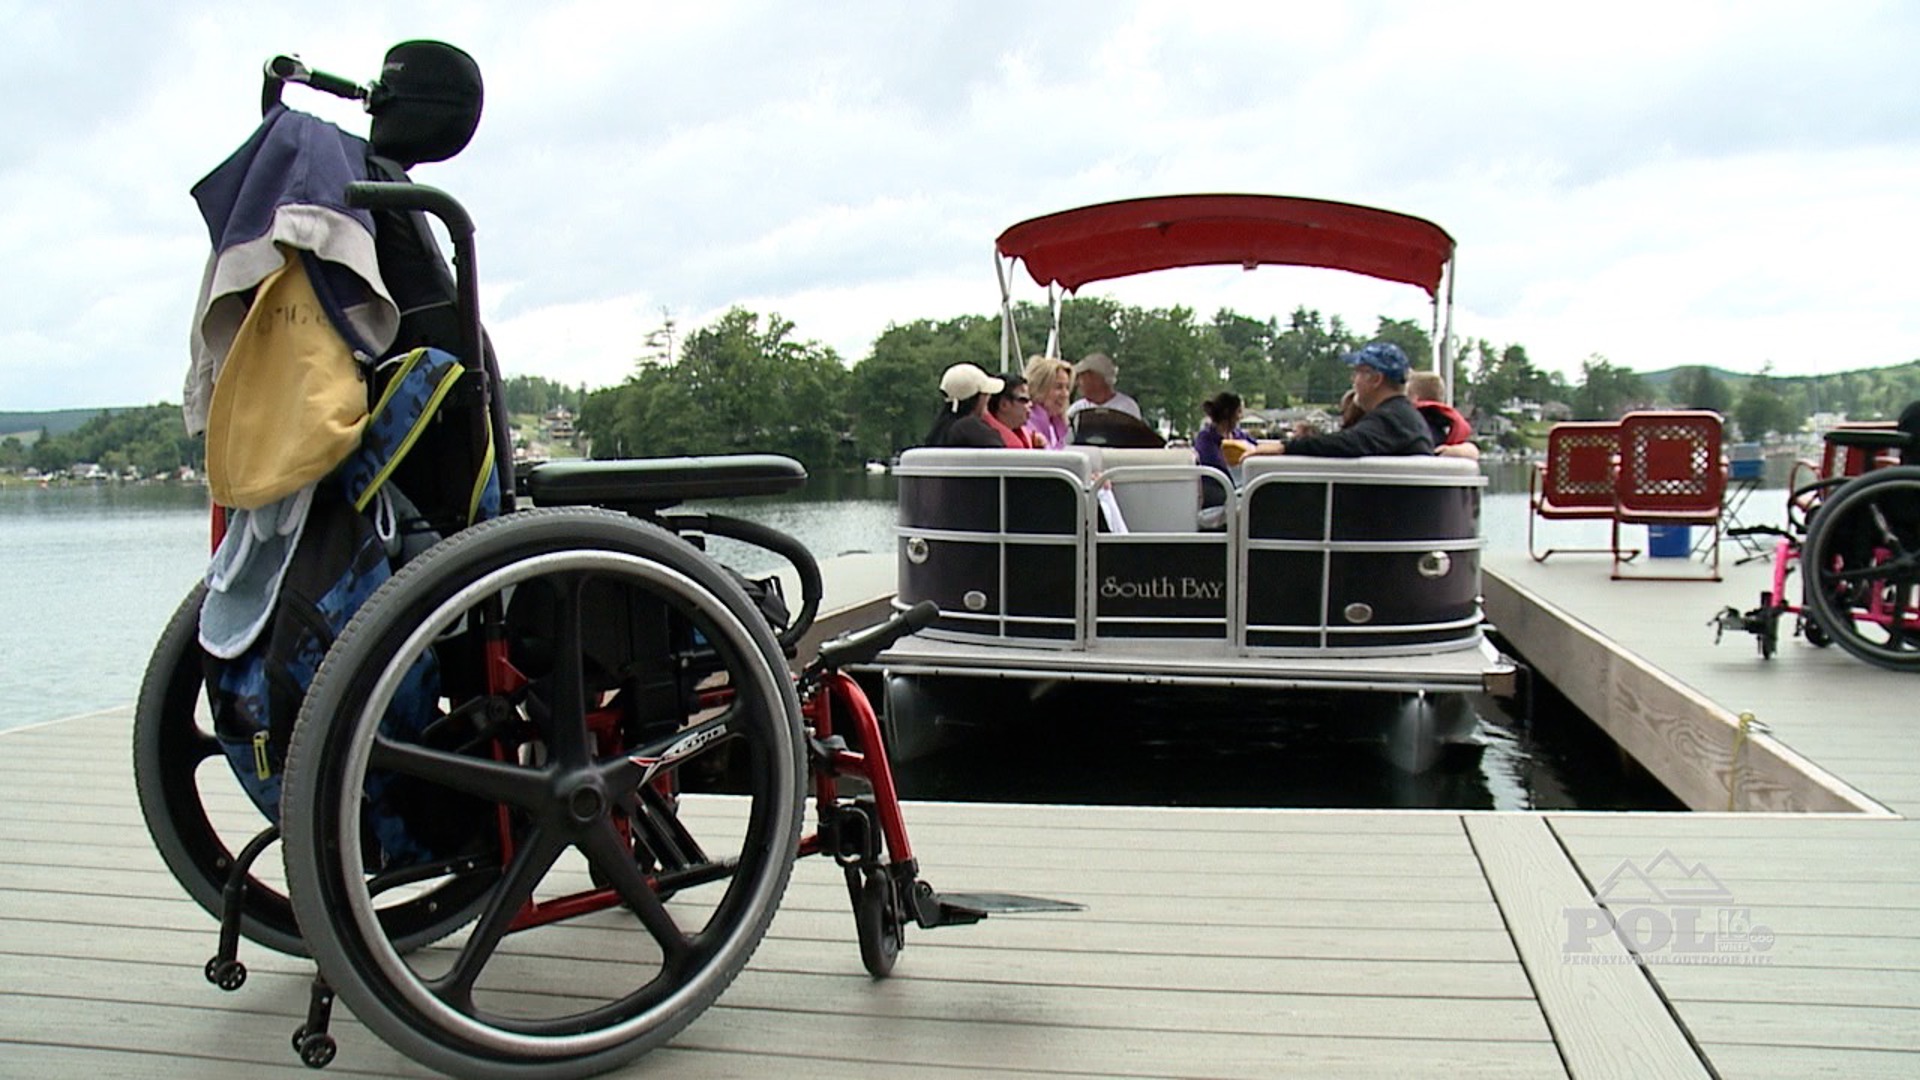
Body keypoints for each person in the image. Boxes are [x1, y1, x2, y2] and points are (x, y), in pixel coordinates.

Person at [1248, 341, 1434, 458]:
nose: (1353, 380)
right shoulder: (1402, 415)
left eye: (1358, 372)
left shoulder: (1391, 418)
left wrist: (1285, 447)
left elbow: (1348, 442)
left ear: (1376, 379)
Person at [924, 362, 1005, 448]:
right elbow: (1000, 456)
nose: (988, 397)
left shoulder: (940, 429)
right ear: (977, 398)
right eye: (985, 394)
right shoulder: (969, 427)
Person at [1064, 352, 1142, 421]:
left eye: (1081, 377)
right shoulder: (1076, 410)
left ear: (1096, 378)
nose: (1077, 383)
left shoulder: (1127, 408)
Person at [1194, 391, 1257, 473]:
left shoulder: (1239, 435)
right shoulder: (1206, 438)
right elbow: (1214, 466)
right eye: (1239, 411)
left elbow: (1257, 447)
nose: (1241, 417)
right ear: (1227, 413)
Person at [1022, 354, 1073, 450]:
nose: (1065, 394)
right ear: (1039, 388)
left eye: (1067, 387)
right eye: (1058, 387)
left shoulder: (1057, 425)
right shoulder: (1025, 423)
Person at [982, 374, 1038, 449]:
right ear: (1004, 404)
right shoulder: (987, 441)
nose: (1030, 404)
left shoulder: (1030, 437)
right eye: (1024, 400)